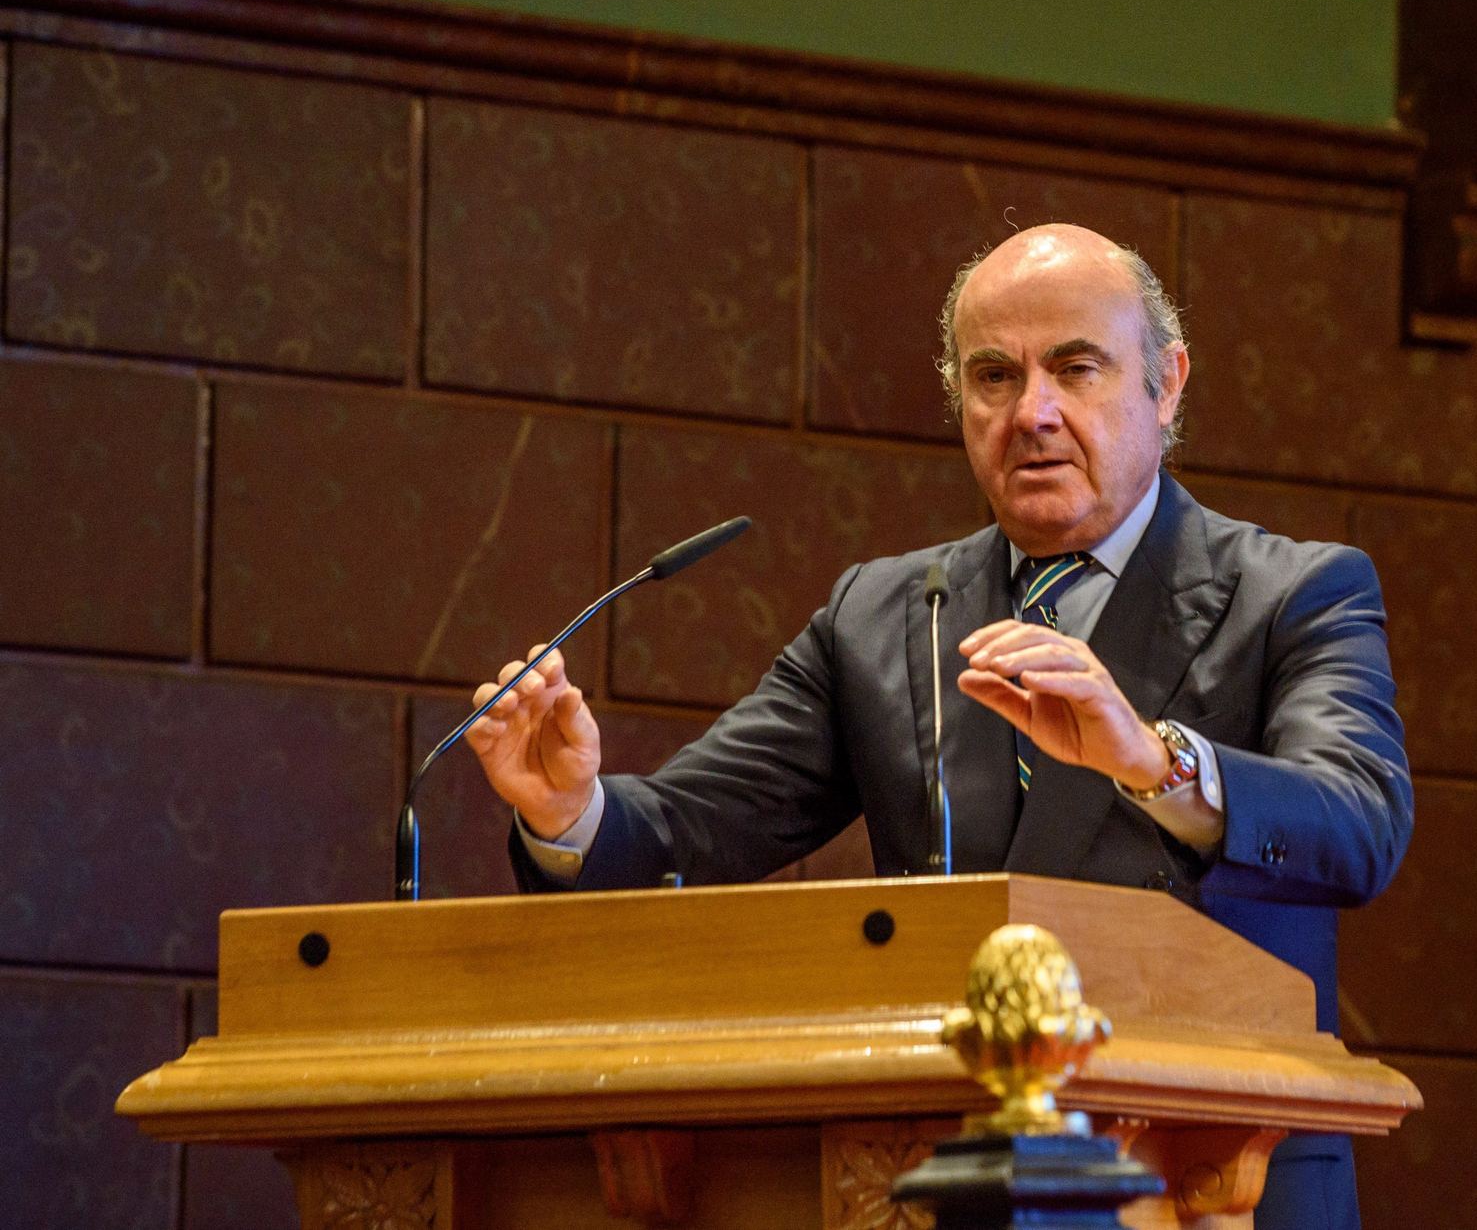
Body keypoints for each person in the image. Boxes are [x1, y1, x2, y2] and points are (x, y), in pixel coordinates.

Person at [465, 223, 1412, 1230]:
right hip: (934, 1177)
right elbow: (695, 829)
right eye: (995, 377)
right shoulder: (885, 614)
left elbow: (1359, 823)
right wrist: (568, 812)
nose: (1034, 412)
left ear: (1167, 383)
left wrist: (1152, 759)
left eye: (1077, 369)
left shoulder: (1293, 593)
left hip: (1210, 1184)